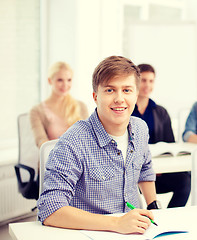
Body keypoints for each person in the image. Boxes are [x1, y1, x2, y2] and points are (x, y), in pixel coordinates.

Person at [37, 56, 160, 234]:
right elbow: (50, 209)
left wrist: (153, 205)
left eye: (127, 90)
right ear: (95, 96)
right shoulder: (74, 141)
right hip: (91, 233)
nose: (119, 99)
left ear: (136, 94)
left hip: (136, 233)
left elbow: (145, 169)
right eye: (110, 90)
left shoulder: (140, 128)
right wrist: (117, 224)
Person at [132, 64, 190, 208]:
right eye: (144, 80)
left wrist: (159, 168)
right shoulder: (126, 111)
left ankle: (167, 216)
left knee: (184, 180)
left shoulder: (161, 112)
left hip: (160, 171)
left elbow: (169, 145)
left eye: (151, 81)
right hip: (134, 174)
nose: (147, 85)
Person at [30, 62, 89, 148]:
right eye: (60, 80)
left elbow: (87, 139)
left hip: (79, 159)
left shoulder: (81, 106)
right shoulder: (37, 111)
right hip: (53, 158)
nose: (65, 85)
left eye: (69, 80)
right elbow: (41, 143)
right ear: (50, 81)